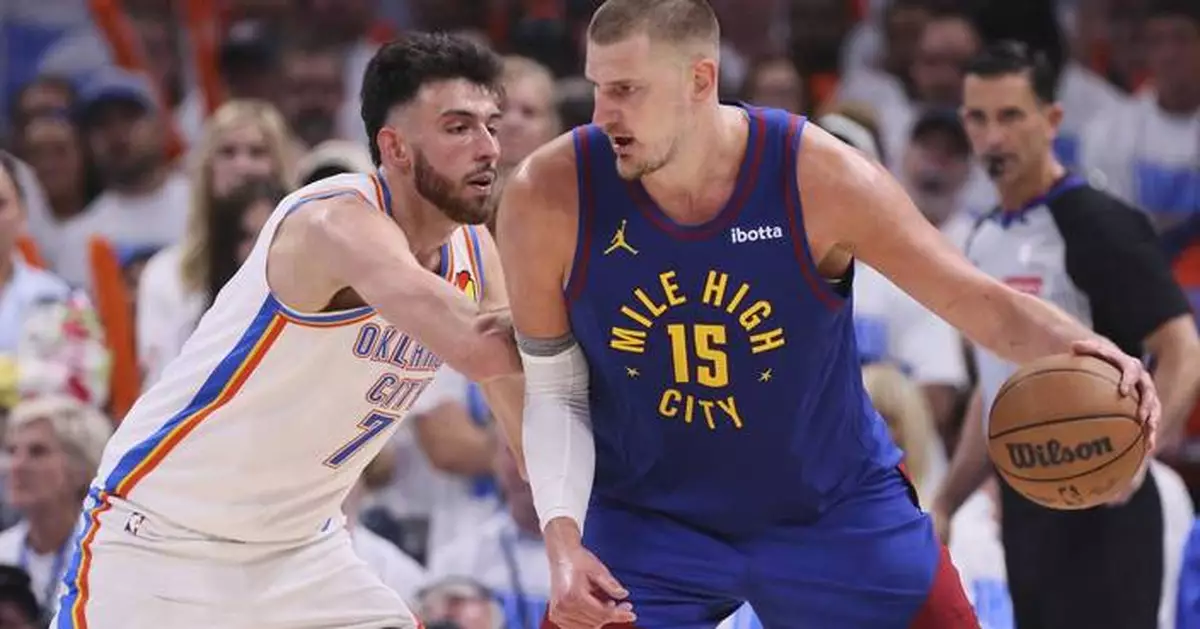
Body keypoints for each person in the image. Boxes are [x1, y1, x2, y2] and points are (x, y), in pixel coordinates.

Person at [495, 2, 1162, 628]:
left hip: (829, 509)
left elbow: (973, 298)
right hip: (648, 516)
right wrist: (562, 536)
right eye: (597, 86)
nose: (602, 111)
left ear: (700, 80)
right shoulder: (549, 192)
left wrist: (1097, 351)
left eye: (627, 90)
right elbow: (554, 386)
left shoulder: (819, 176)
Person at [51, 32, 524, 629]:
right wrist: (610, 315)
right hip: (165, 540)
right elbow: (485, 346)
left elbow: (523, 410)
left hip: (299, 550)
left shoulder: (475, 254)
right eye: (460, 128)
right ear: (396, 147)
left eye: (492, 125)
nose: (488, 147)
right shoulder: (335, 223)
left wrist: (571, 545)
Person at [931, 41, 1200, 629]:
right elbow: (994, 390)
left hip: (1107, 507)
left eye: (1010, 116)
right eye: (978, 118)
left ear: (1052, 120)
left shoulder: (1098, 223)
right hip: (1028, 507)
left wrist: (1139, 457)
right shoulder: (982, 239)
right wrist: (948, 500)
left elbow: (1183, 345)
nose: (993, 137)